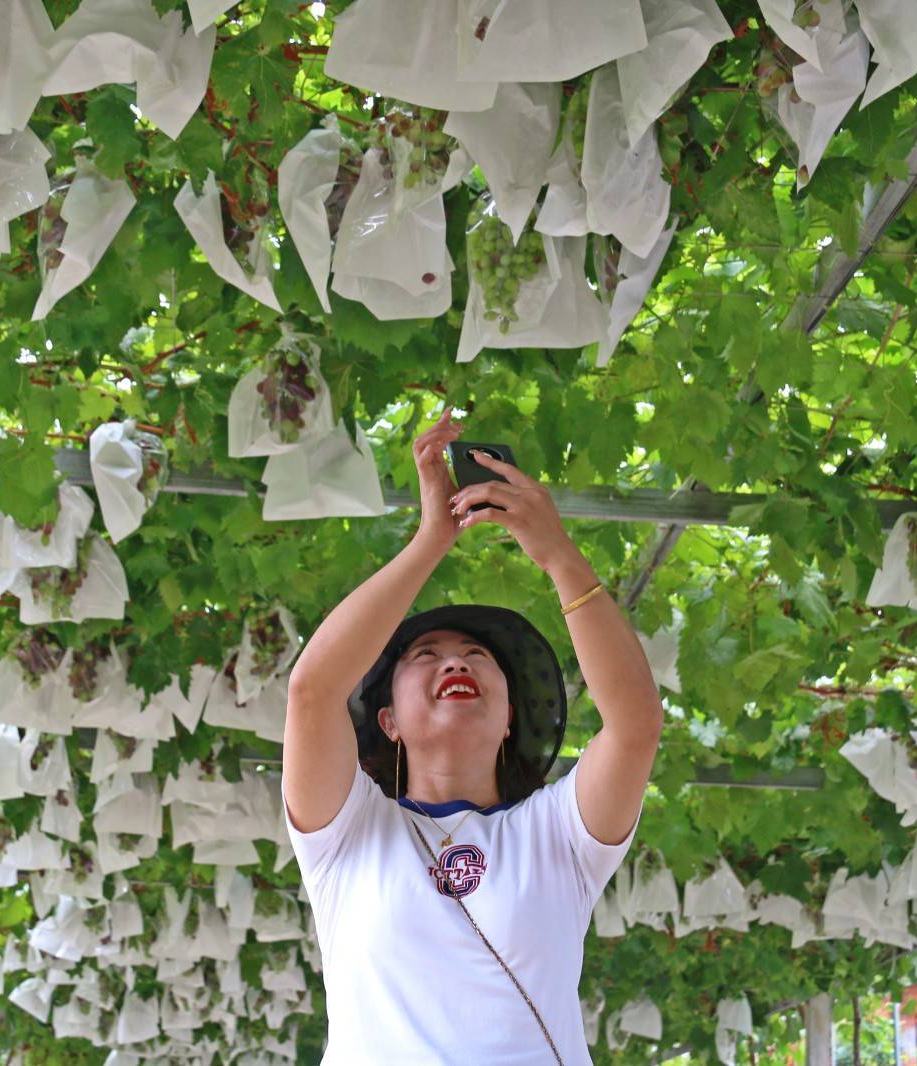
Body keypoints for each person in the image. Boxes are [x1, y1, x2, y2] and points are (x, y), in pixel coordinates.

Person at [282, 409, 665, 1065]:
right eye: (426, 655)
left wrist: (557, 553)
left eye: (476, 657)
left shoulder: (559, 837)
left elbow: (635, 724)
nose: (455, 662)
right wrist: (431, 540)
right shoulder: (345, 836)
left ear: (511, 715)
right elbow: (312, 692)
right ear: (388, 722)